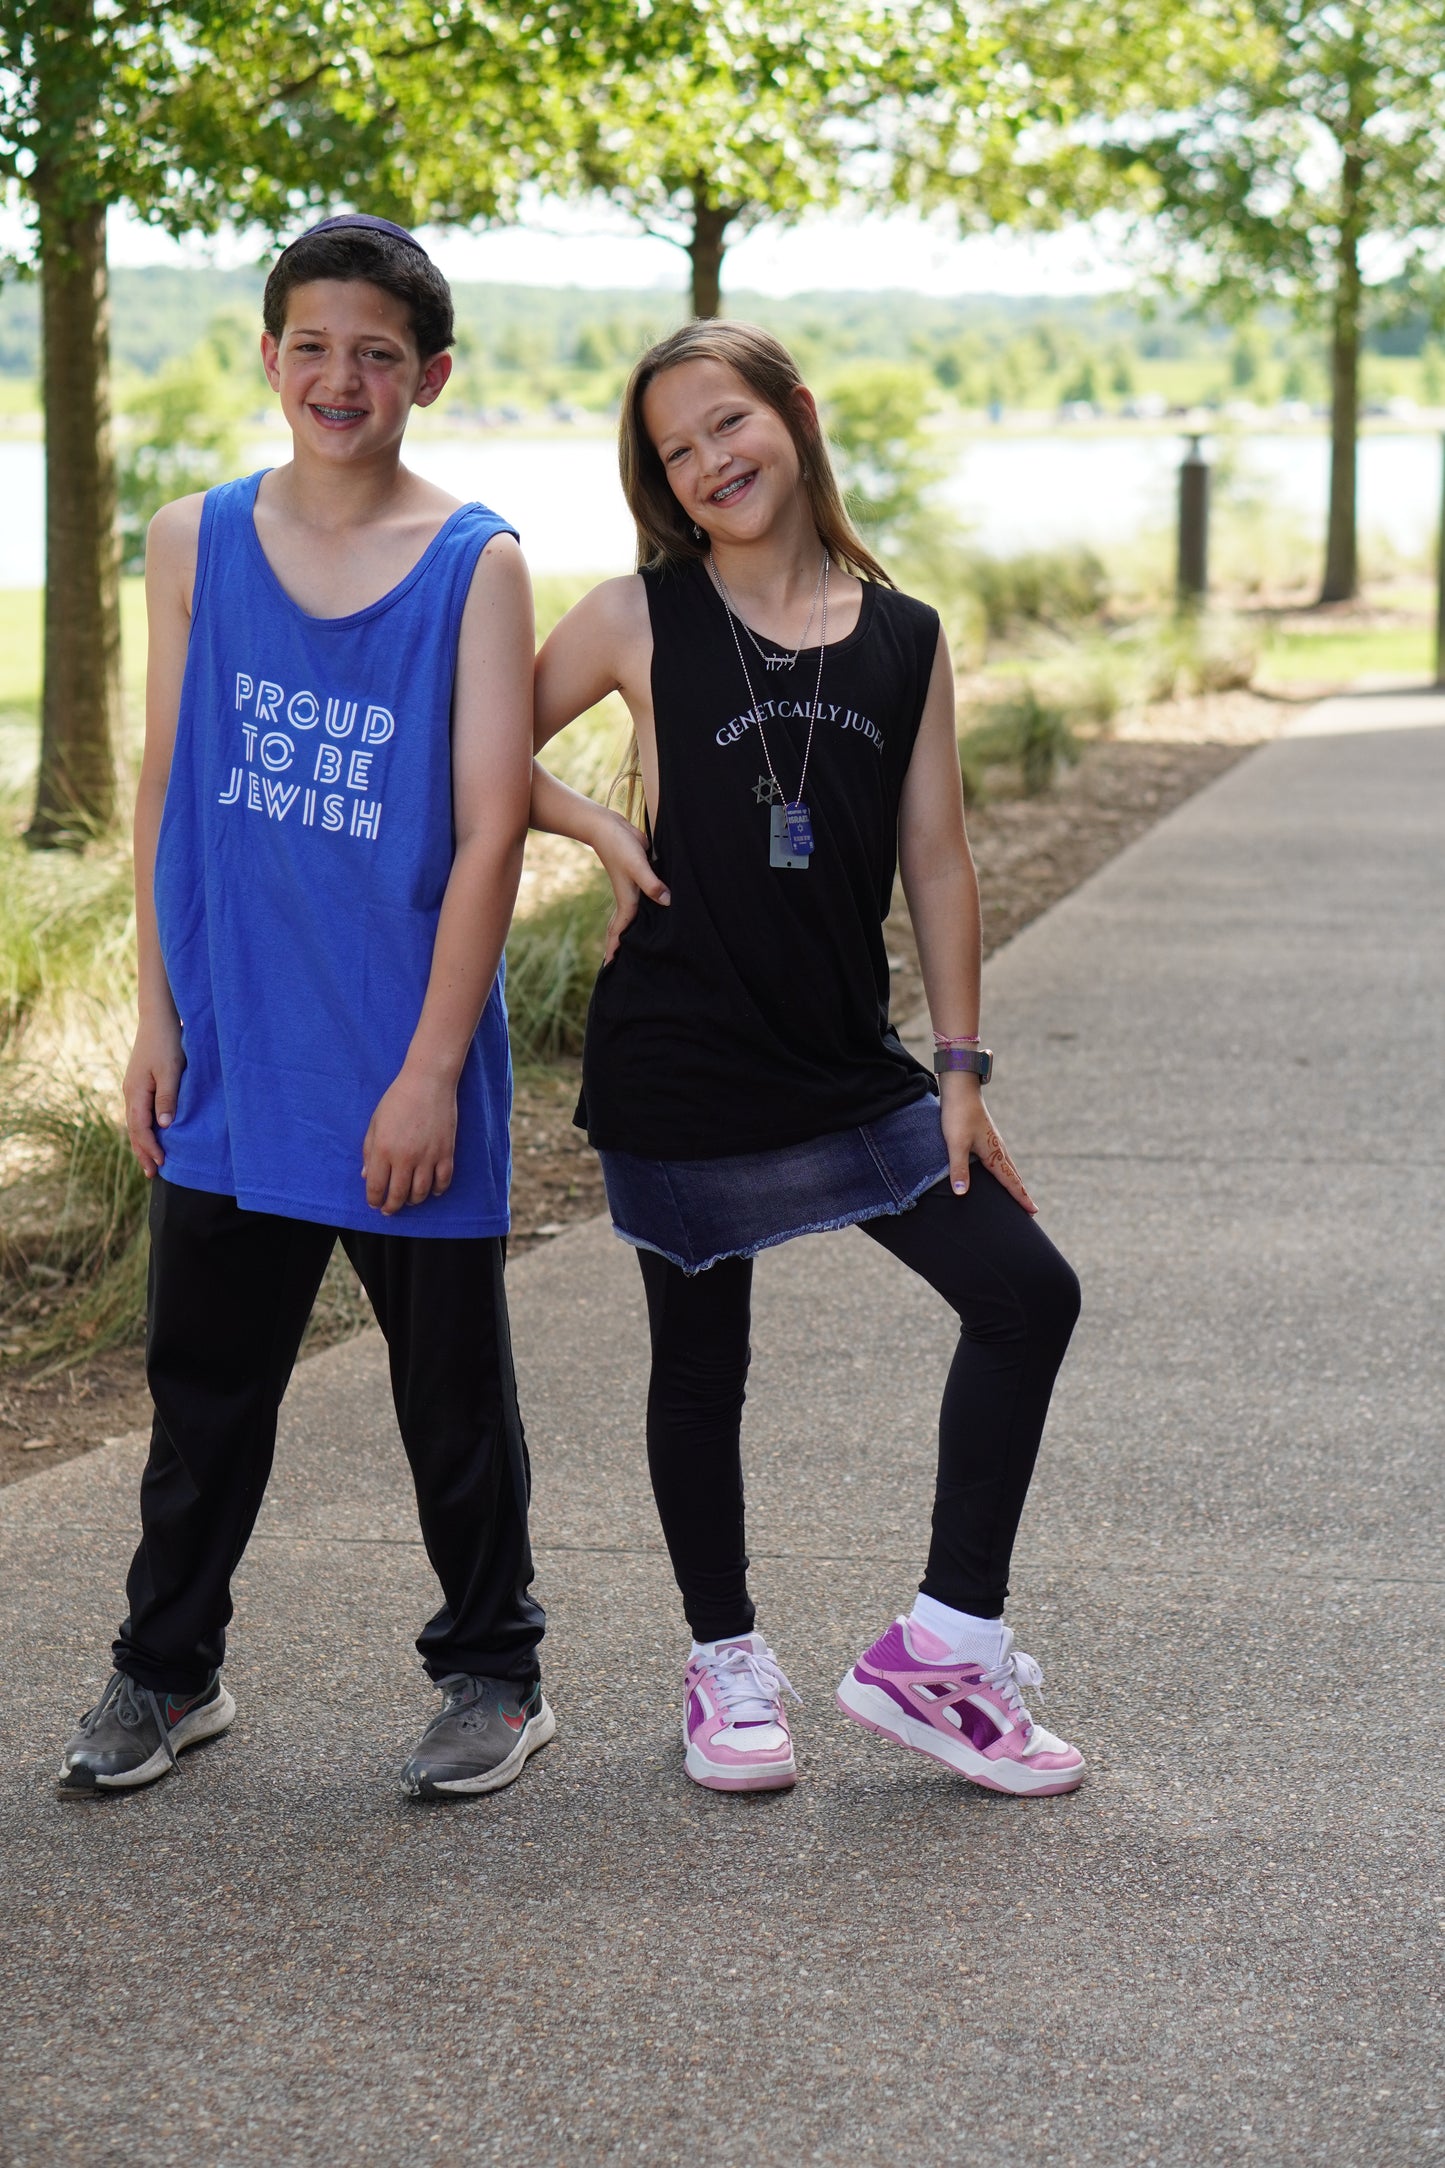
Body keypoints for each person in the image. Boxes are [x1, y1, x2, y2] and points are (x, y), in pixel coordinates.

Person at [530, 322, 1084, 1798]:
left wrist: (958, 1071)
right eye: (676, 450)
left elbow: (939, 861)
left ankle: (946, 1651)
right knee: (701, 1367)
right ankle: (725, 1667)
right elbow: (470, 751)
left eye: (729, 424)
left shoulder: (903, 636)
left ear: (794, 414)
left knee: (1026, 1295)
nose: (710, 462)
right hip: (679, 1056)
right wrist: (595, 825)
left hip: (849, 1063)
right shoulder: (636, 617)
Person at [58, 216, 553, 1803]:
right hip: (235, 1047)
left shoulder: (475, 563)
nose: (342, 378)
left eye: (379, 354)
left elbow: (488, 829)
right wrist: (155, 1014)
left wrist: (427, 1072)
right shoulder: (192, 538)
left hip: (398, 1060)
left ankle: (494, 1673)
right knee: (204, 1401)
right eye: (314, 347)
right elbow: (163, 789)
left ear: (431, 375)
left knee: (449, 1398)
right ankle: (167, 1673)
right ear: (269, 357)